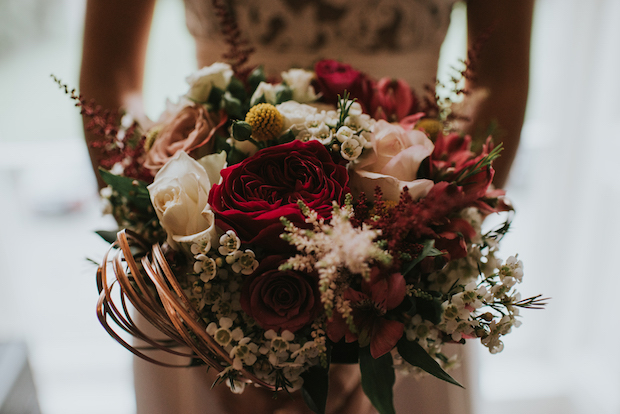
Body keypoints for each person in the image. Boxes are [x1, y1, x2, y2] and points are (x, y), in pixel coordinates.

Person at [80, 1, 534, 413]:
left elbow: (499, 79)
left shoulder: (410, 270)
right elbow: (110, 73)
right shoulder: (194, 278)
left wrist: (427, 237)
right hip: (197, 278)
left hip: (405, 273)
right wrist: (183, 268)